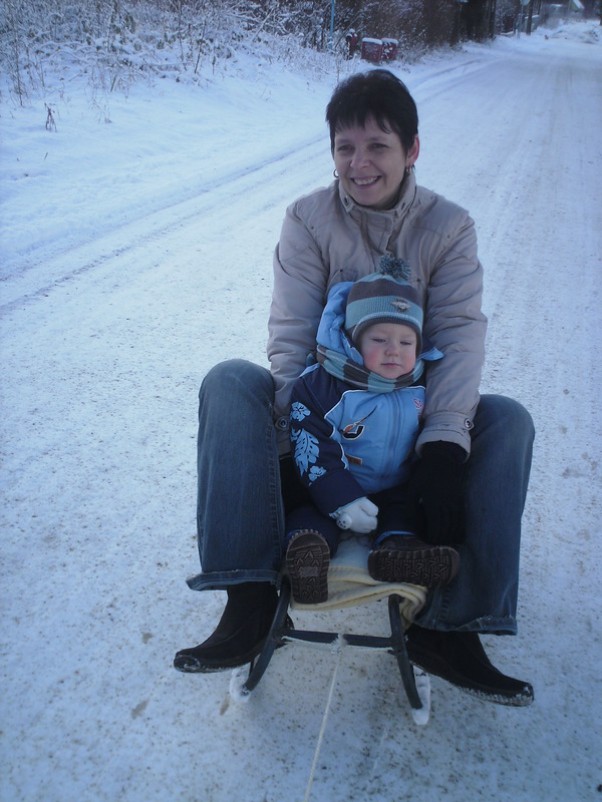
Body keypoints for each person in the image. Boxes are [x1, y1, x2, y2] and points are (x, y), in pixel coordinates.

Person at [174, 69, 535, 707]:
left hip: (406, 422)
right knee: (229, 382)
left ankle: (451, 625)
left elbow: (458, 336)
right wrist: (291, 446)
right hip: (326, 420)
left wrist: (446, 447)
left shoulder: (447, 228)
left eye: (378, 146)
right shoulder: (309, 219)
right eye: (345, 148)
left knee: (508, 420)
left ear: (412, 149)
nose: (359, 164)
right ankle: (251, 597)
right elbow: (289, 338)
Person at [284, 255, 460, 605]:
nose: (394, 351)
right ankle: (306, 557)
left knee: (404, 514)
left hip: (396, 486)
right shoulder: (322, 387)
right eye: (379, 339)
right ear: (353, 339)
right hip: (333, 484)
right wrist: (340, 499)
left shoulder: (425, 385)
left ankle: (398, 553)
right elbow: (311, 448)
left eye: (406, 342)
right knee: (310, 516)